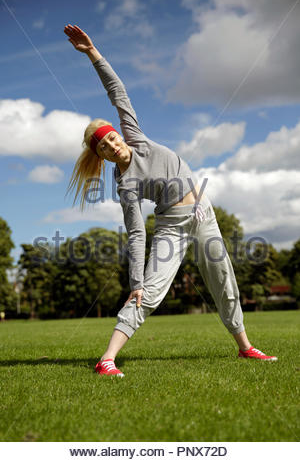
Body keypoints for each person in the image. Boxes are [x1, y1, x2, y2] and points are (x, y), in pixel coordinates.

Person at [64, 24, 278, 377]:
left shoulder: (135, 136)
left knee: (224, 279)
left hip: (203, 212)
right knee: (148, 293)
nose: (114, 145)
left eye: (113, 138)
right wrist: (135, 281)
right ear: (101, 155)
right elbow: (136, 235)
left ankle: (245, 348)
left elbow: (117, 92)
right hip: (172, 226)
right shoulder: (125, 185)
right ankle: (107, 360)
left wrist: (93, 53)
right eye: (105, 146)